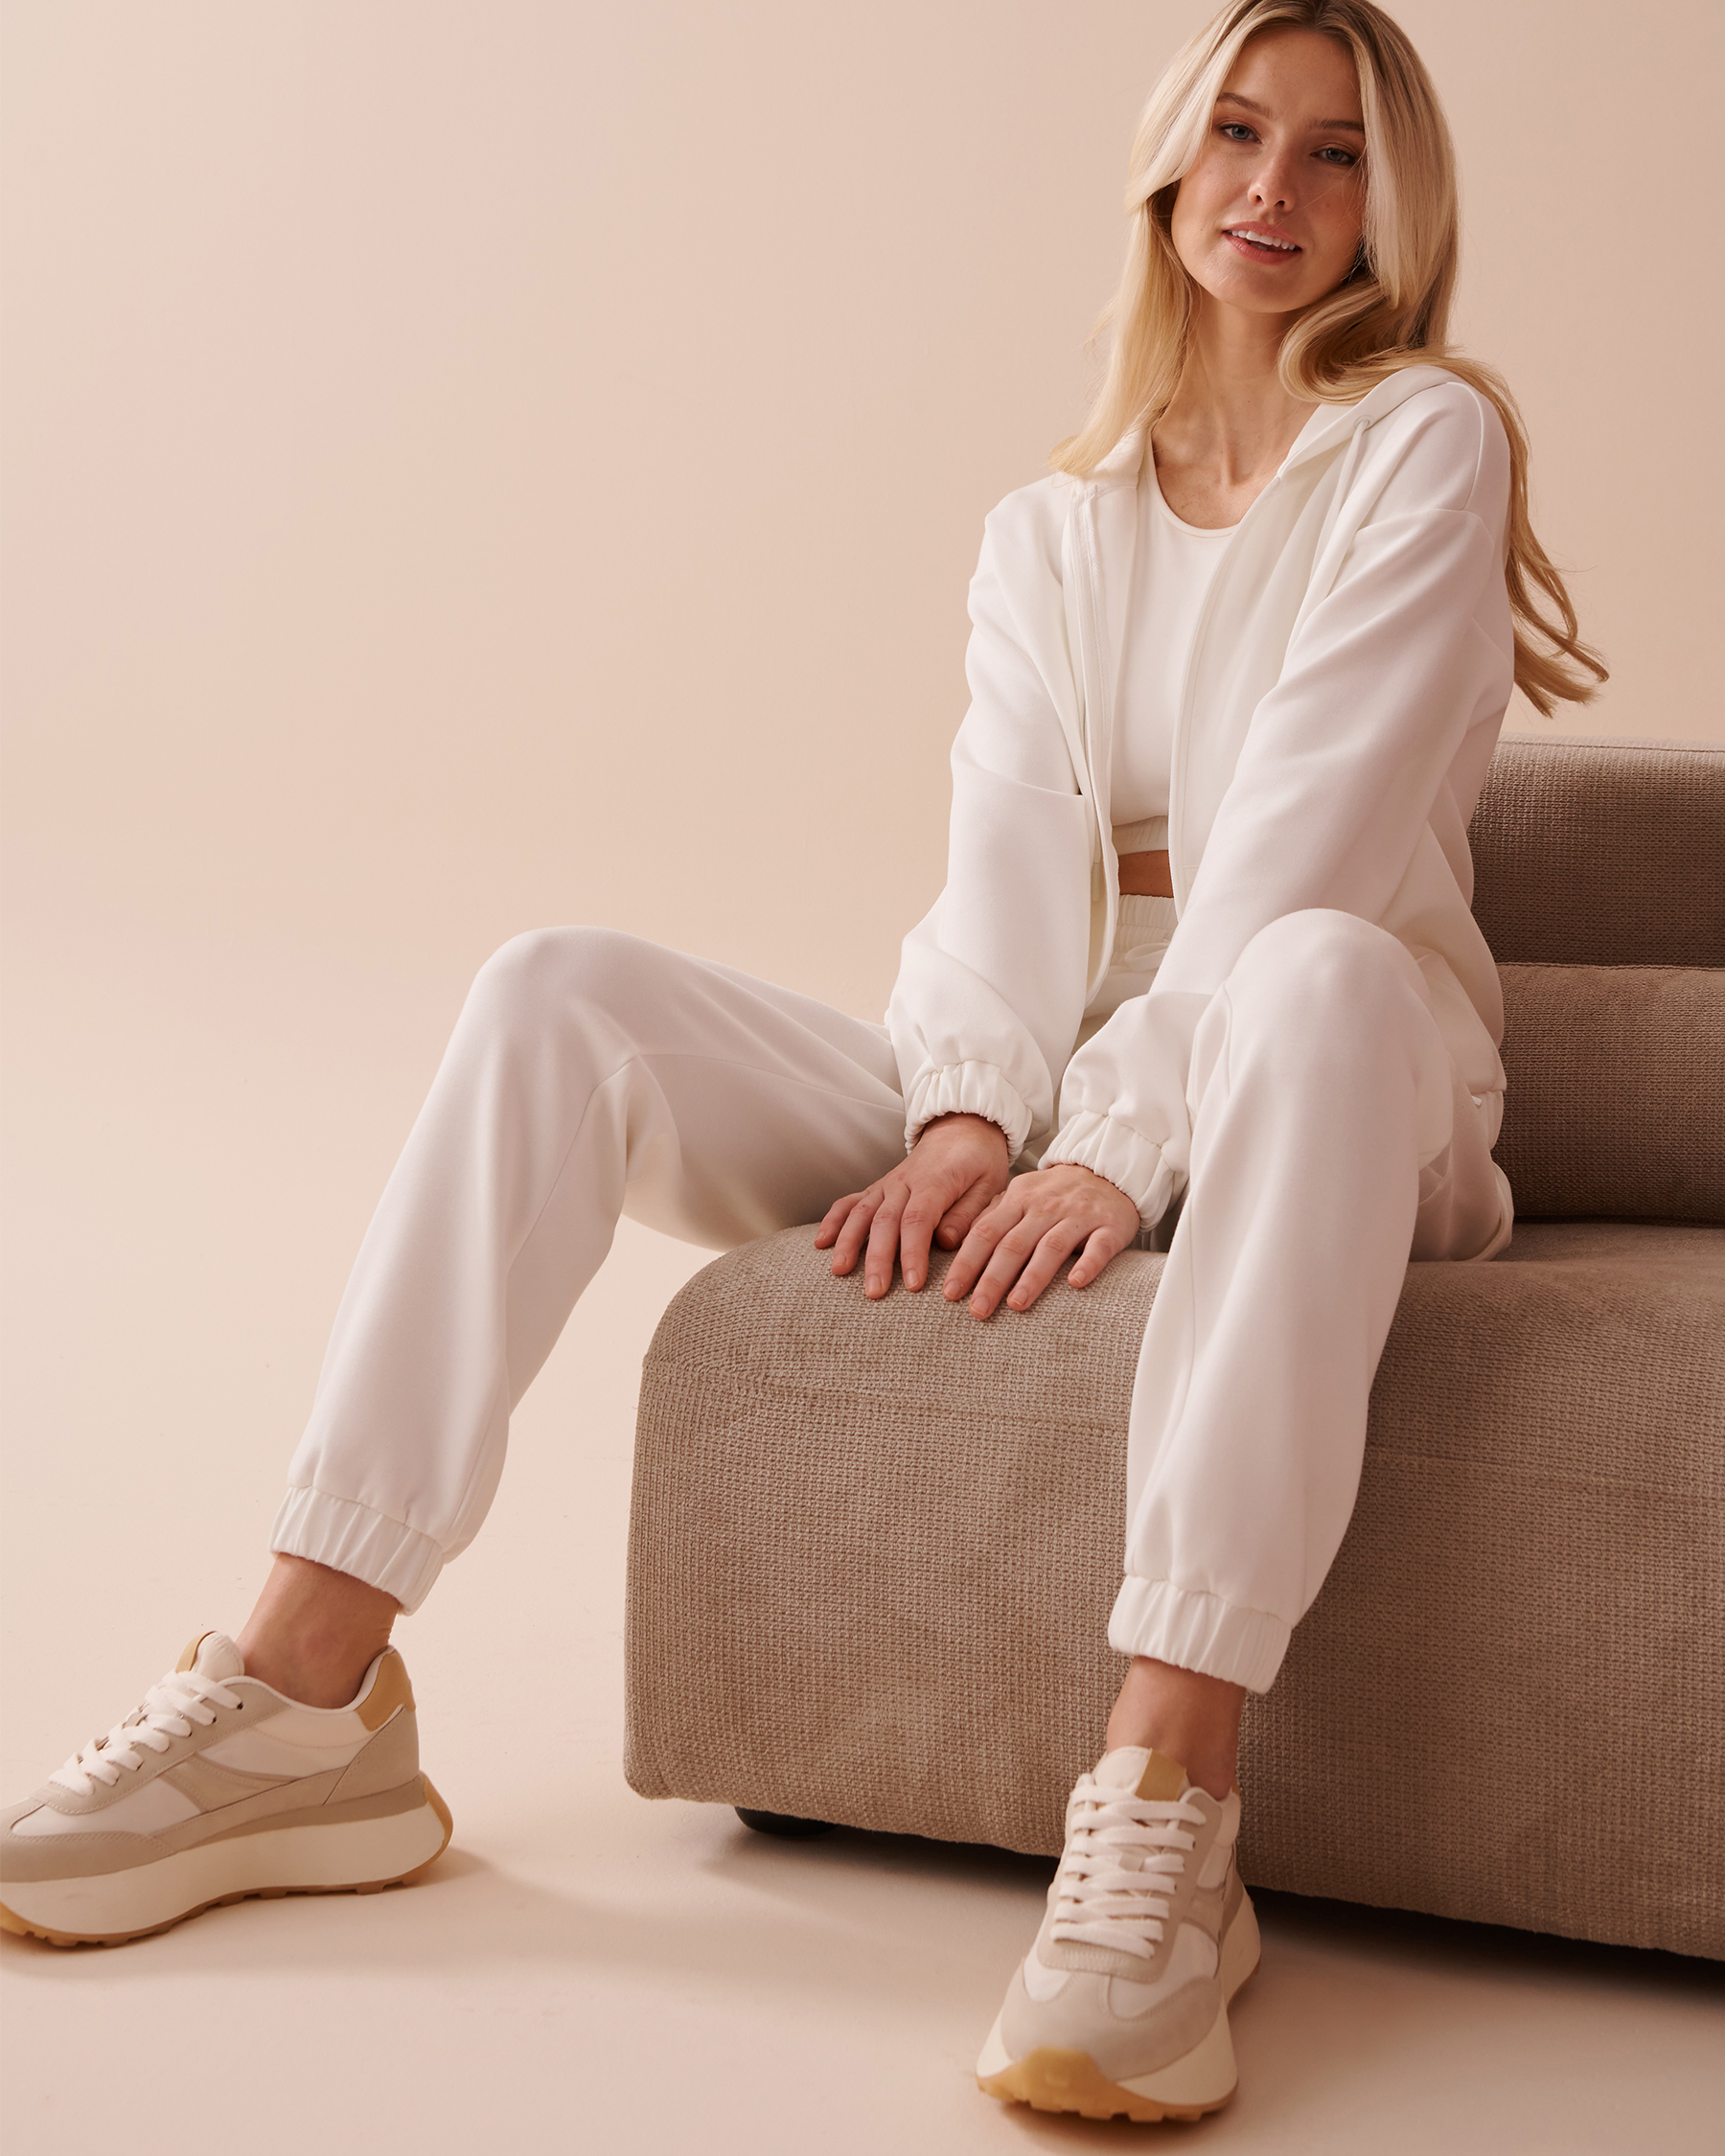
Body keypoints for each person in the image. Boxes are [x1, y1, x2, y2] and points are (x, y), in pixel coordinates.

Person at [1, 0, 1603, 2124]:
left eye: (1336, 152)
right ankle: (307, 1694)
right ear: (1166, 168)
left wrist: (1115, 1150)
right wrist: (968, 1116)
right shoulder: (1054, 529)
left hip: (1343, 1077)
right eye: (1237, 130)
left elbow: (1303, 845)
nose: (1275, 188)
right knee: (559, 987)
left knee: (1306, 967)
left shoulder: (1421, 443)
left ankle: (1166, 1802)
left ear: (1396, 208)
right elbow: (1005, 884)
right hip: (1068, 1074)